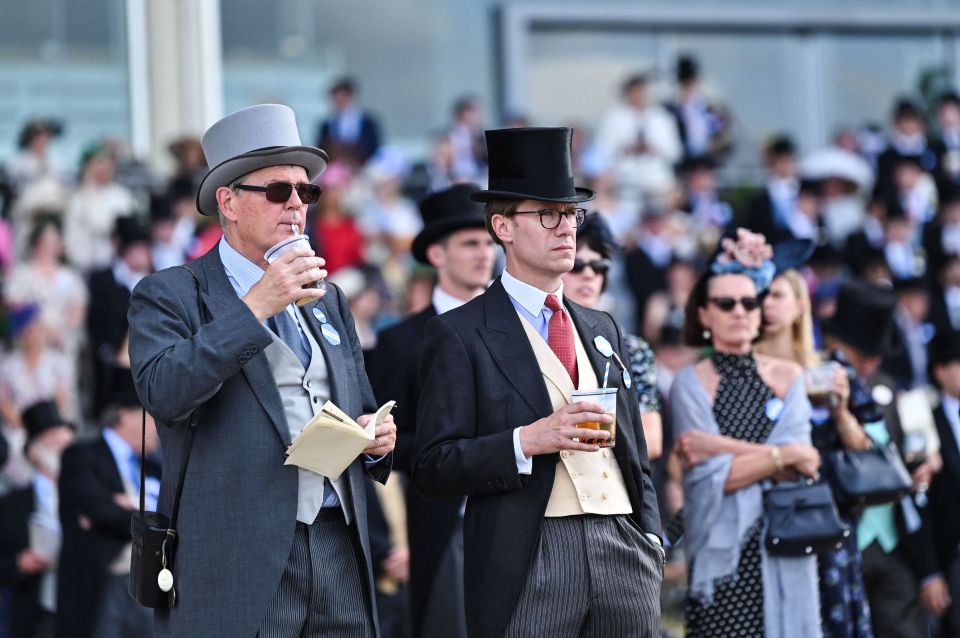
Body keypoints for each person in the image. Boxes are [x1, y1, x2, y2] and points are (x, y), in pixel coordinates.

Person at [127, 103, 396, 637]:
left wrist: (377, 438)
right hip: (236, 554)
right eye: (278, 191)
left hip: (337, 538)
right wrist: (255, 306)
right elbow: (164, 392)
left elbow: (360, 401)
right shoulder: (171, 292)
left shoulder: (328, 296)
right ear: (227, 202)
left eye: (305, 192)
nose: (297, 205)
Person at [413, 127, 663, 638]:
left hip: (624, 547)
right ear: (502, 226)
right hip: (530, 552)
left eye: (571, 214)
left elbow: (635, 453)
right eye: (547, 215)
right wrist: (528, 441)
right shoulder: (459, 332)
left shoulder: (602, 326)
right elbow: (433, 466)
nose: (565, 228)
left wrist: (651, 538)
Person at [671, 229, 822, 637]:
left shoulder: (790, 376)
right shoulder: (690, 382)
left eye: (749, 302)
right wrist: (779, 455)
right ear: (703, 314)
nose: (740, 311)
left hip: (785, 541)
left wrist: (719, 448)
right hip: (721, 556)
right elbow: (706, 481)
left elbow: (805, 463)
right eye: (726, 303)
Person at [369, 183, 495, 638]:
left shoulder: (518, 331)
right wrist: (465, 452)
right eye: (470, 243)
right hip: (440, 528)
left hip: (520, 520)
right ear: (437, 255)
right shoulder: (399, 342)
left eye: (488, 242)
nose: (484, 253)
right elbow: (378, 441)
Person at [757, 268, 875, 637]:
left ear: (799, 306)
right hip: (763, 511)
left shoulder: (828, 367)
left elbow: (867, 451)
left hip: (825, 517)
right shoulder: (739, 371)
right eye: (762, 295)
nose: (767, 304)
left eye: (777, 295)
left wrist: (839, 410)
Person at [820, 281, 938, 638]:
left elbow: (916, 449)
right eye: (860, 352)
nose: (870, 362)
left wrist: (926, 463)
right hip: (836, 535)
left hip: (893, 540)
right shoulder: (815, 385)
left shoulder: (891, 389)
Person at [56, 371, 160, 638]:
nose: (160, 428)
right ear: (126, 415)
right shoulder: (81, 455)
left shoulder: (157, 468)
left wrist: (128, 511)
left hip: (149, 585)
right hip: (102, 584)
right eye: (151, 416)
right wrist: (149, 521)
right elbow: (96, 508)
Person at [561, 213, 663, 460]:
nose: (589, 274)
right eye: (577, 265)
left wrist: (586, 437)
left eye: (599, 267)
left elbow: (652, 441)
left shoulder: (631, 348)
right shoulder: (536, 336)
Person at [0, 401, 75, 638]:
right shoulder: (11, 505)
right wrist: (18, 564)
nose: (62, 450)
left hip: (84, 609)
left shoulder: (88, 495)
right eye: (53, 442)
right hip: (37, 612)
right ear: (33, 451)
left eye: (66, 444)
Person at [87, 217, 153, 417]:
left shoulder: (158, 278)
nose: (142, 255)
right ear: (124, 251)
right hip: (113, 363)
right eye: (136, 249)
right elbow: (96, 324)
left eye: (144, 248)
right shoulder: (103, 280)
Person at [919, 328, 960, 636]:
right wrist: (930, 572)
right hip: (953, 558)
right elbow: (921, 505)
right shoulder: (923, 422)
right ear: (940, 371)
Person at [316, 77, 382, 166]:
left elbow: (374, 147)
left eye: (343, 98)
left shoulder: (368, 123)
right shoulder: (327, 125)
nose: (339, 103)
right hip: (335, 166)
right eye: (336, 99)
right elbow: (321, 149)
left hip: (362, 166)